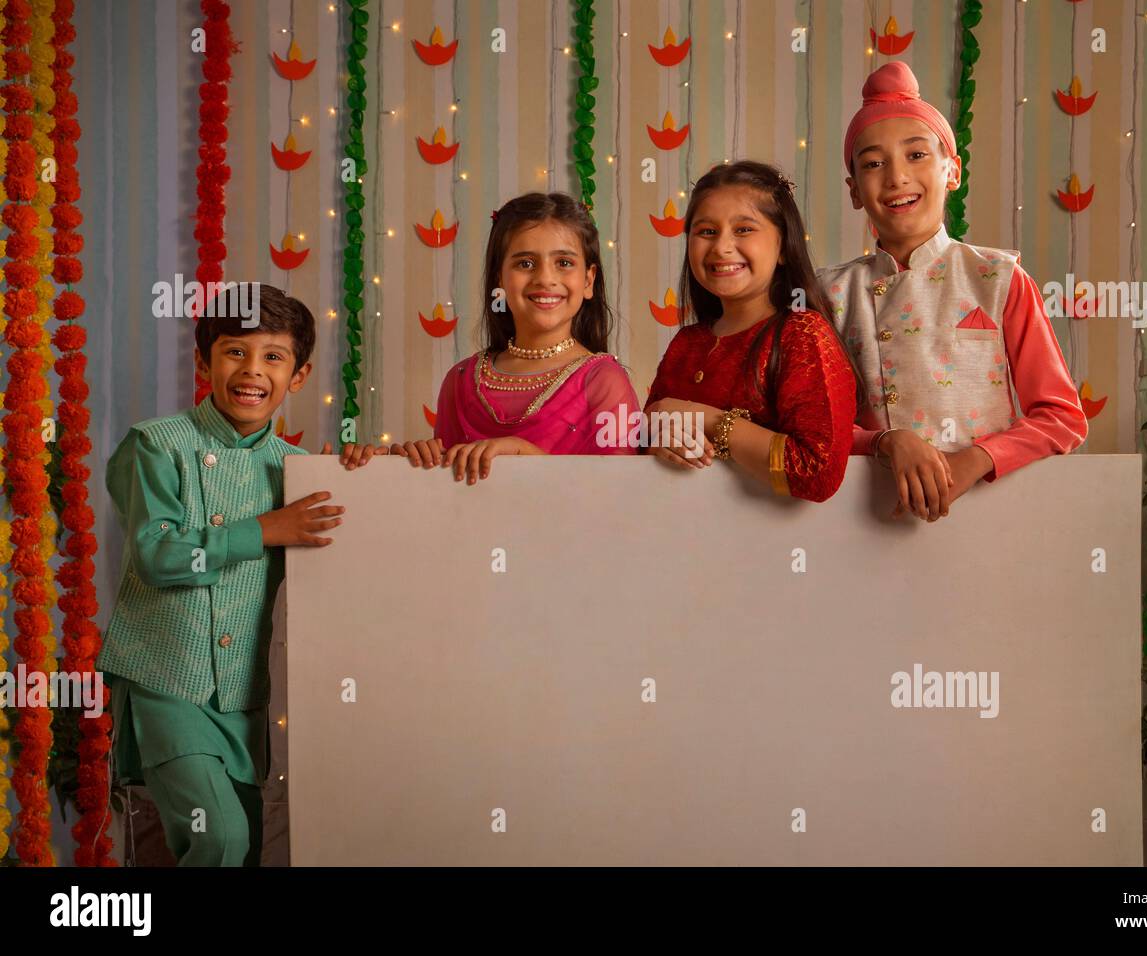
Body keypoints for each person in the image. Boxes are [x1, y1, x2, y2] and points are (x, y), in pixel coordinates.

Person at [99, 284, 348, 866]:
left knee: (246, 845)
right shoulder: (157, 446)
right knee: (219, 838)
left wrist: (369, 475)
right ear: (205, 360)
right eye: (235, 351)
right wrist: (262, 530)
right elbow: (156, 557)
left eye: (273, 356)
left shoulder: (297, 470)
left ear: (300, 374)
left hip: (244, 696)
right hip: (167, 681)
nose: (252, 371)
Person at [820, 61, 1087, 521]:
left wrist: (974, 462)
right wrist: (885, 442)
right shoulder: (829, 293)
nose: (897, 177)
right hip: (859, 515)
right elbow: (816, 426)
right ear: (854, 191)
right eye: (873, 164)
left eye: (916, 155)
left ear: (953, 171)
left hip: (990, 507)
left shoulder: (999, 279)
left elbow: (1061, 417)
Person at [643, 160, 861, 503]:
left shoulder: (802, 333)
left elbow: (817, 473)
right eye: (706, 231)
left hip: (767, 544)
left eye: (743, 229)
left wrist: (708, 420)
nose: (721, 247)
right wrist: (658, 440)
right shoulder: (688, 343)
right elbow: (642, 447)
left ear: (783, 248)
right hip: (681, 534)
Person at [392, 192, 640, 483]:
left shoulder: (605, 382)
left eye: (563, 263)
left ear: (588, 280)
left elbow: (621, 497)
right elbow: (447, 492)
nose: (545, 279)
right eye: (525, 264)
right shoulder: (460, 381)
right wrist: (414, 465)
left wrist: (525, 455)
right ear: (500, 278)